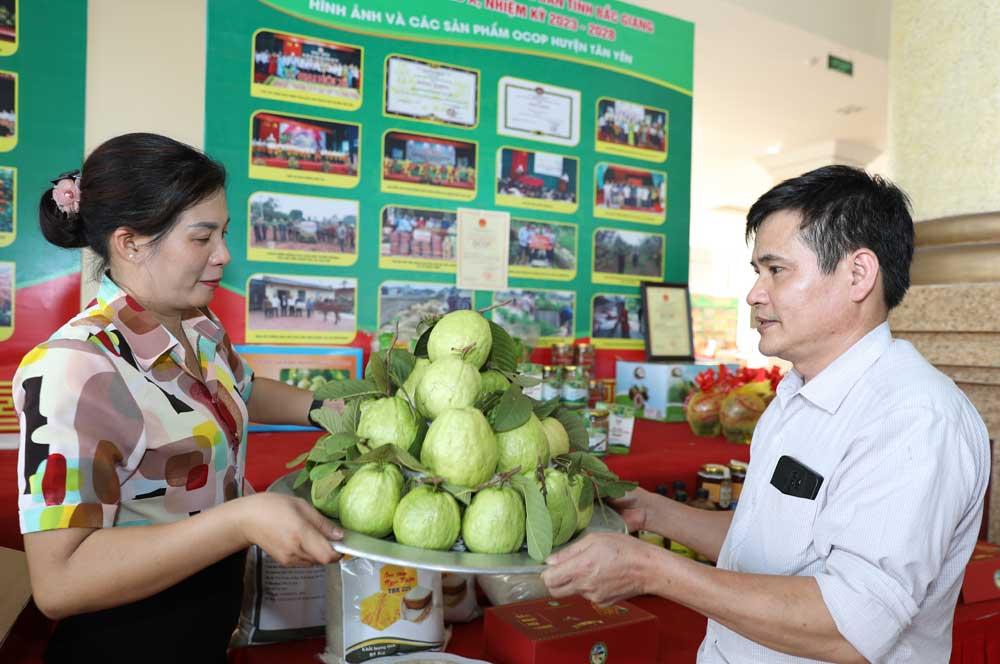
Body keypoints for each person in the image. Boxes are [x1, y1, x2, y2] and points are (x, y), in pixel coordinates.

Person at [542, 165, 990, 663]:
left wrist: (653, 570)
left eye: (776, 270)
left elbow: (850, 627)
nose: (755, 294)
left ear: (858, 274)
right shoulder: (796, 392)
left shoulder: (913, 419)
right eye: (758, 272)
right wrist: (651, 510)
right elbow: (766, 539)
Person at [16, 133, 345, 663]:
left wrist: (332, 412)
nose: (225, 255)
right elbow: (60, 582)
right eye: (202, 238)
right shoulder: (76, 367)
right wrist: (240, 520)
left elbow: (240, 391)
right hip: (127, 641)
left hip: (206, 625)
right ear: (130, 243)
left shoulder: (197, 324)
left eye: (225, 233)